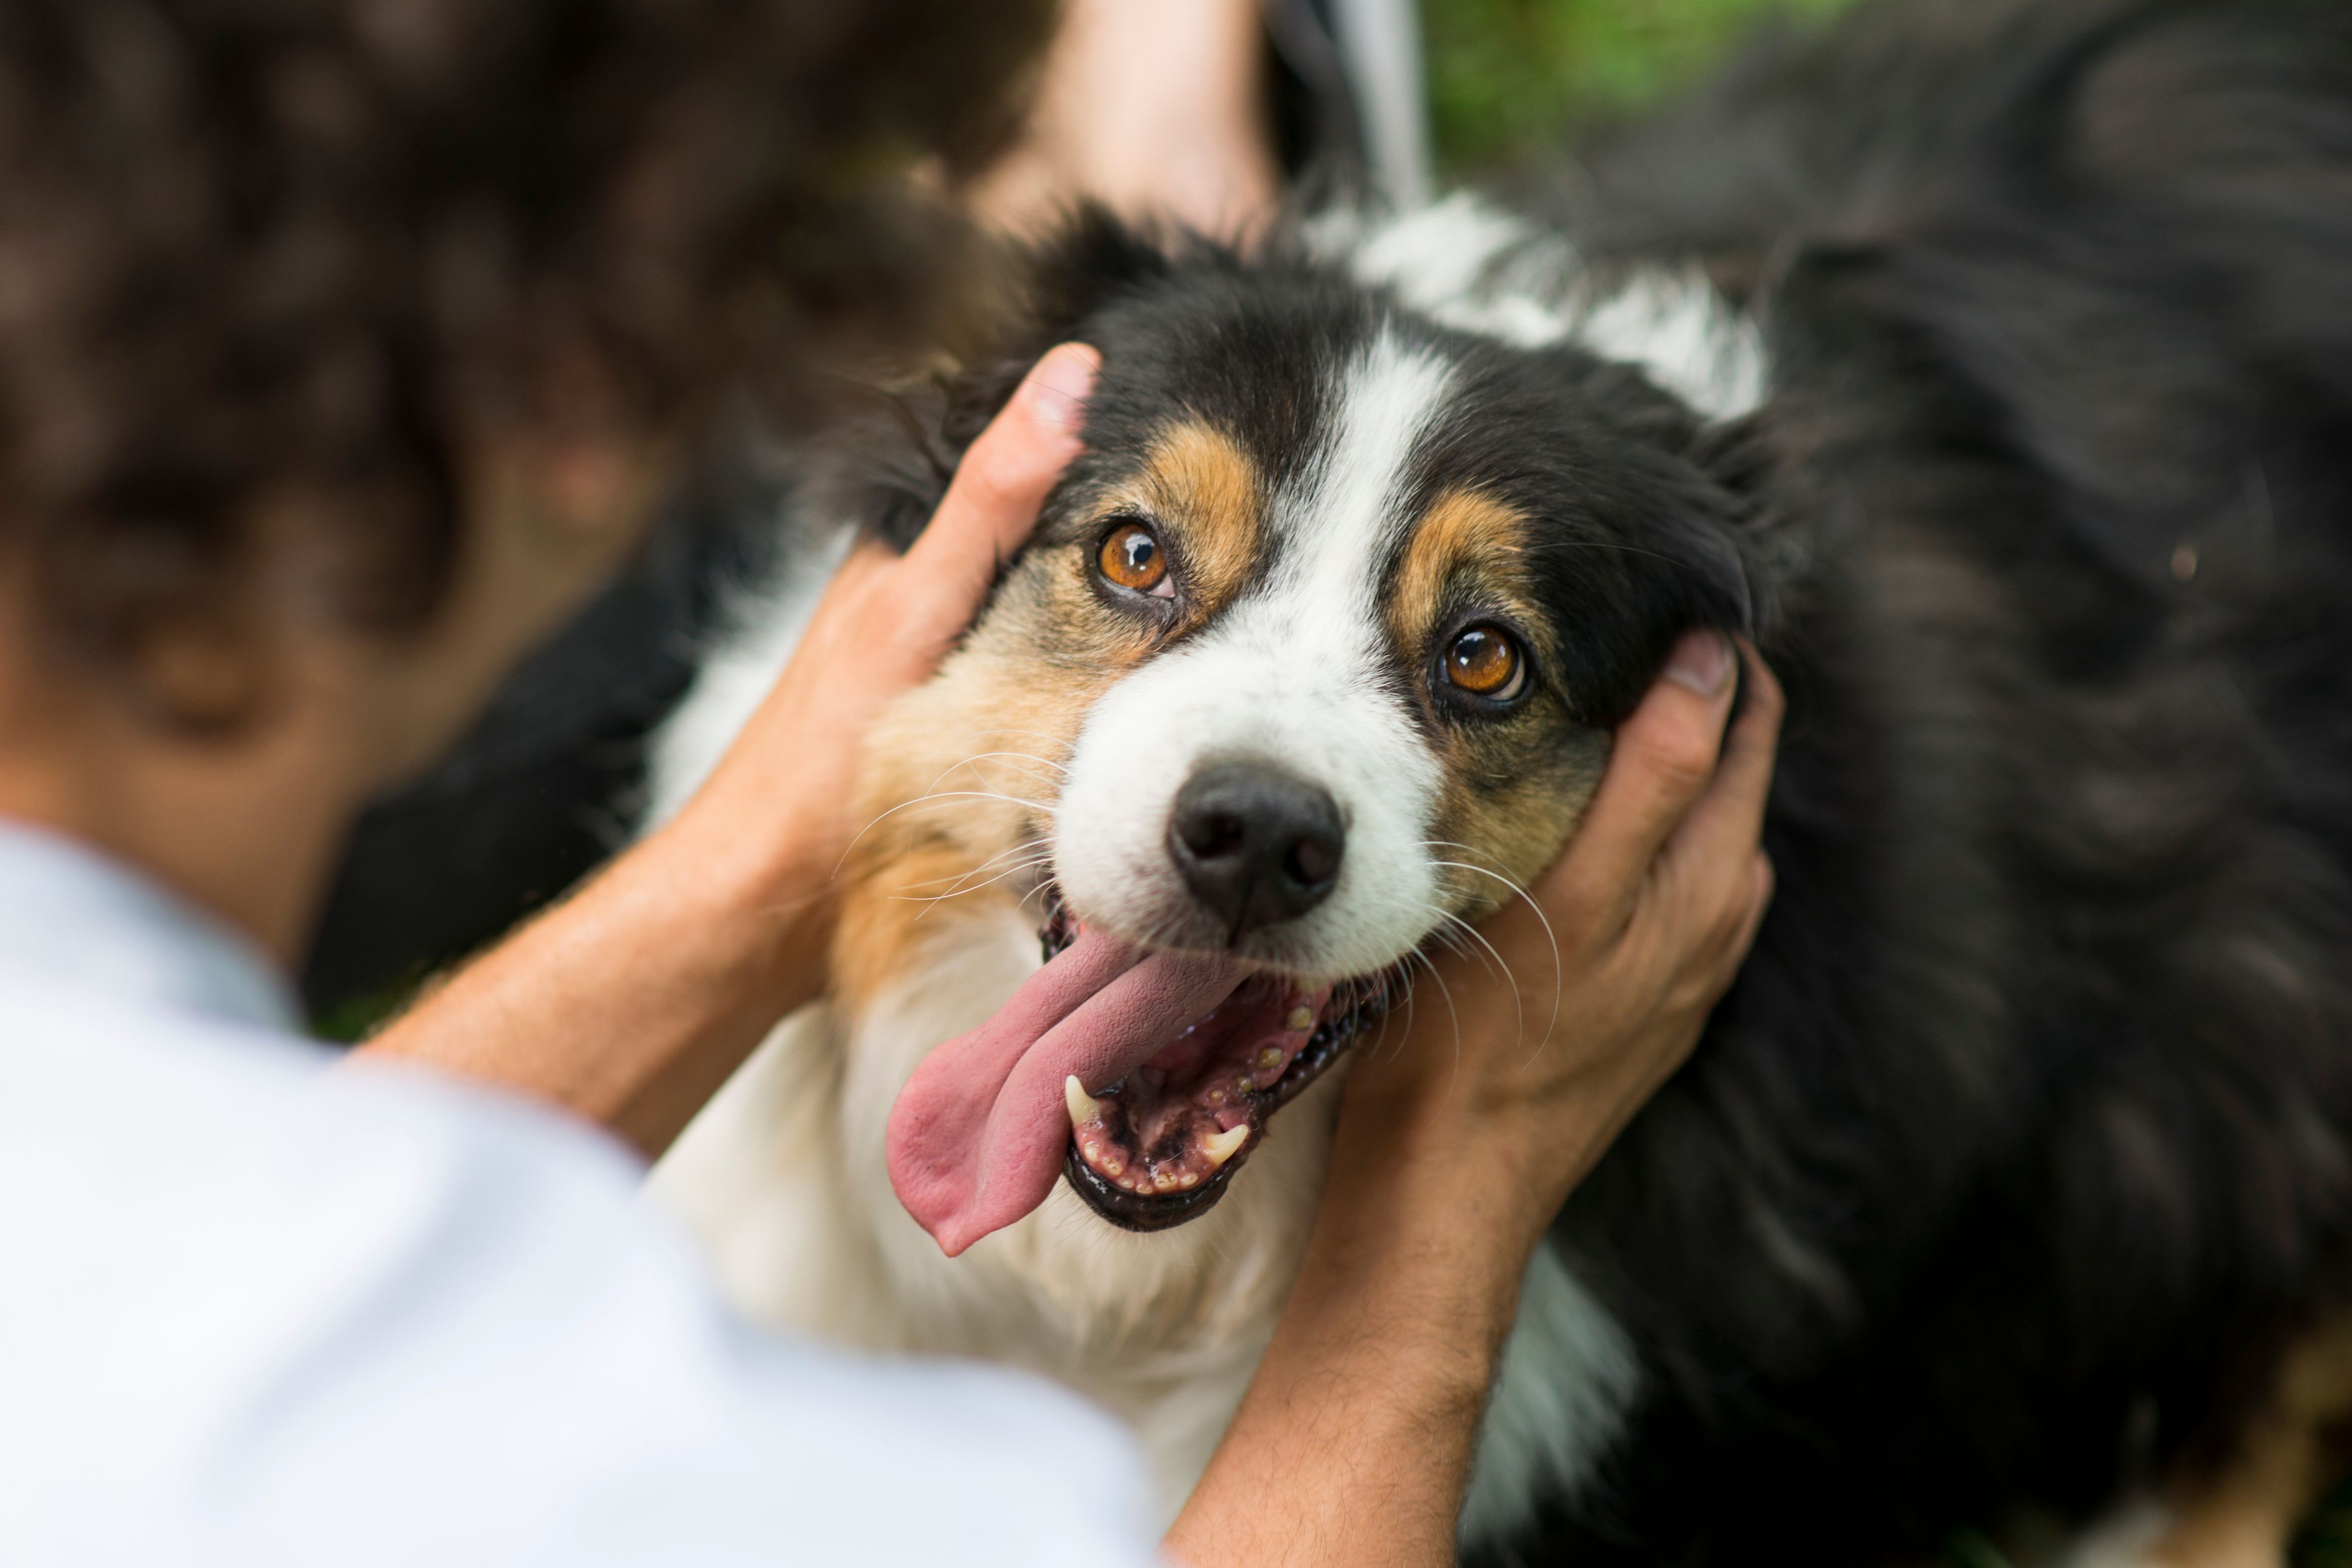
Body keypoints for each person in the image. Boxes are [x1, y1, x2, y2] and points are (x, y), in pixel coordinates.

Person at [0, 2, 1782, 1564]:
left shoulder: (140, 1217)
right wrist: (1436, 1243)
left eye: (1477, 664)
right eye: (1142, 563)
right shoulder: (728, 1483)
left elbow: (253, 1271)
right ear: (572, 404)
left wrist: (755, 871)